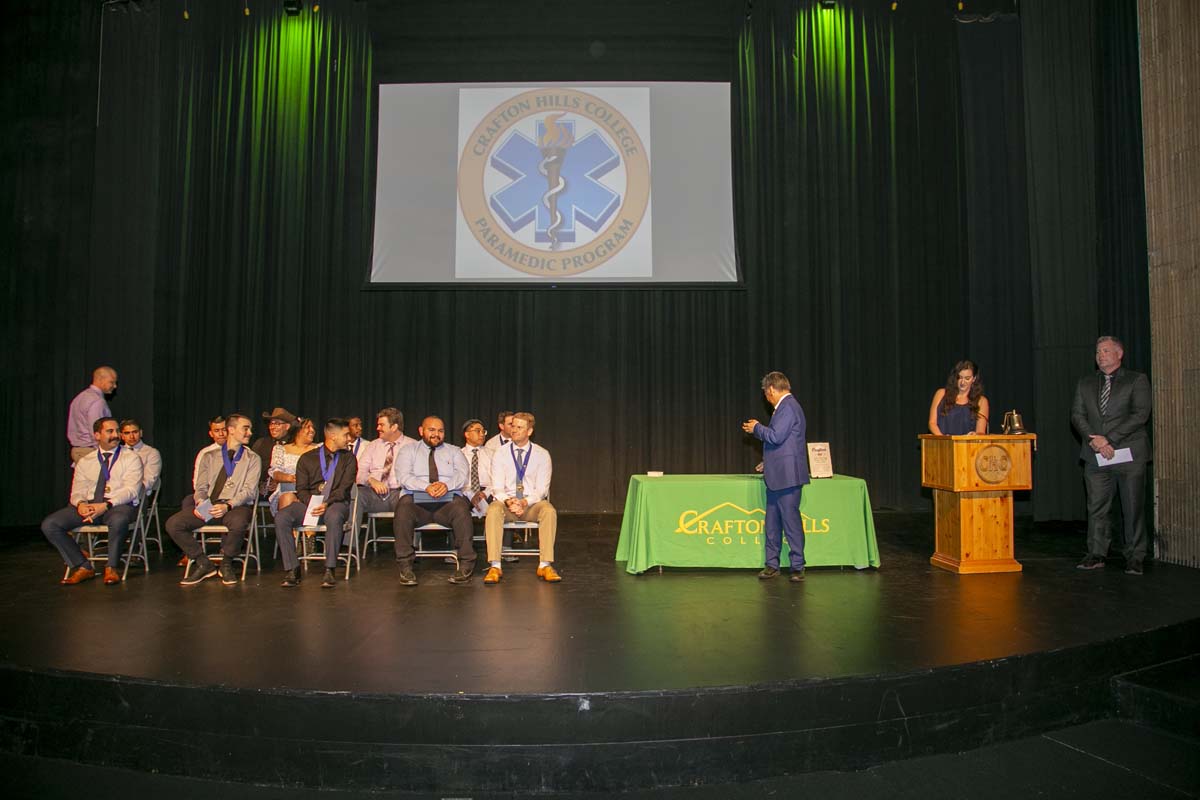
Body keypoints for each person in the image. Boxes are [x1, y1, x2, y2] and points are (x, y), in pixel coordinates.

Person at [1071, 336, 1152, 575]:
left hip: (1128, 454)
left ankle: (1135, 556)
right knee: (1096, 507)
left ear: (1119, 354)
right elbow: (1077, 415)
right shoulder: (1085, 382)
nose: (1101, 355)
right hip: (1095, 455)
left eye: (1106, 351)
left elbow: (1140, 414)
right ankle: (1096, 553)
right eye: (1098, 351)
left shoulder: (1136, 380)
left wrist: (1110, 439)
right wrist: (1093, 440)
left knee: (1132, 507)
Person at [41, 417, 143, 585]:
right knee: (50, 524)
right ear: (97, 435)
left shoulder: (130, 458)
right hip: (89, 506)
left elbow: (131, 490)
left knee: (119, 520)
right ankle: (83, 566)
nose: (115, 435)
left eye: (117, 431)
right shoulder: (85, 461)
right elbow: (77, 491)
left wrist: (105, 505)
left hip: (116, 505)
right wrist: (81, 504)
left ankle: (111, 567)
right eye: (110, 431)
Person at [165, 414, 262, 586]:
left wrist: (228, 505)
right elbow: (200, 487)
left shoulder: (252, 459)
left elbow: (249, 491)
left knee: (239, 522)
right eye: (245, 428)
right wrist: (201, 501)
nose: (250, 432)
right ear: (231, 430)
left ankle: (226, 562)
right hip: (210, 504)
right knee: (174, 524)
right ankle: (203, 562)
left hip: (235, 505)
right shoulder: (209, 456)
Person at [272, 418, 357, 588]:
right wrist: (311, 503)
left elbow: (344, 489)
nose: (349, 439)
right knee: (282, 517)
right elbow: (301, 488)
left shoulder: (349, 459)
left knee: (334, 516)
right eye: (346, 435)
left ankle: (329, 569)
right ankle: (292, 569)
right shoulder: (307, 459)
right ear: (333, 436)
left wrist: (326, 503)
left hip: (335, 503)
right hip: (309, 503)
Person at [742, 371, 809, 582]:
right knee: (771, 524)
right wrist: (768, 462)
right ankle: (772, 564)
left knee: (790, 522)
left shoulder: (788, 407)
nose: (766, 398)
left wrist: (756, 428)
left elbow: (775, 436)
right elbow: (785, 443)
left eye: (765, 393)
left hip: (788, 478)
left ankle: (797, 566)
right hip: (778, 475)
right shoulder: (784, 408)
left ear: (771, 389)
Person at [394, 416, 476, 585]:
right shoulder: (407, 450)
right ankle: (405, 566)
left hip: (446, 500)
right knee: (403, 508)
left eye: (440, 431)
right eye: (431, 430)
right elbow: (403, 477)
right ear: (421, 431)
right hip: (417, 499)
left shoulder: (454, 451)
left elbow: (462, 475)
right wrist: (426, 486)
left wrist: (446, 485)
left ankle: (466, 563)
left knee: (461, 508)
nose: (436, 434)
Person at [483, 412, 560, 584]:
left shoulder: (542, 454)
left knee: (548, 510)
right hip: (508, 503)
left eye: (519, 427)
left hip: (531, 503)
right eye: (512, 426)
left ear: (529, 431)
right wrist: (509, 501)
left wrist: (524, 502)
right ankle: (495, 565)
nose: (514, 430)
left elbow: (542, 489)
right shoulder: (500, 453)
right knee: (493, 509)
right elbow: (497, 487)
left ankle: (545, 564)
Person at [355, 407, 413, 518]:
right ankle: (352, 536)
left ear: (394, 427)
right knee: (357, 495)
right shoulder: (372, 446)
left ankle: (405, 536)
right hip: (373, 494)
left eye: (381, 425)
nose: (377, 428)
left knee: (409, 499)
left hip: (399, 494)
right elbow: (360, 472)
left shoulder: (413, 446)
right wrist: (371, 480)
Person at [66, 366, 118, 462]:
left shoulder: (79, 397)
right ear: (100, 380)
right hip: (91, 452)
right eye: (112, 382)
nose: (115, 386)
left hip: (79, 450)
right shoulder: (97, 401)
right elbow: (97, 431)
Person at [268, 417, 318, 514]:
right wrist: (290, 478)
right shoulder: (280, 449)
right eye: (308, 427)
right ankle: (289, 528)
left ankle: (308, 528)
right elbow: (275, 473)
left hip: (312, 490)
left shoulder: (319, 449)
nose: (312, 430)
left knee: (309, 500)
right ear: (297, 430)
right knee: (287, 497)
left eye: (313, 428)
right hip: (288, 489)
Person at [928, 360, 989, 435]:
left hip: (967, 446)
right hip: (941, 444)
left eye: (967, 378)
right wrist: (945, 440)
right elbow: (932, 423)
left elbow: (980, 432)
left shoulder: (981, 401)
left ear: (974, 379)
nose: (962, 382)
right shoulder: (941, 394)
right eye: (960, 377)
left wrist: (974, 435)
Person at [252, 407, 298, 496]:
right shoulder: (261, 444)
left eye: (277, 424)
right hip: (261, 490)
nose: (272, 427)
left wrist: (278, 482)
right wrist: (259, 484)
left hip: (287, 490)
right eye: (271, 423)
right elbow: (251, 468)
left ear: (287, 426)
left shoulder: (294, 445)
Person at [120, 419, 162, 495]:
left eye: (135, 432)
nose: (131, 436)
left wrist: (129, 491)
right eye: (127, 433)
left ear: (141, 433)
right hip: (117, 492)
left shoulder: (152, 453)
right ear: (122, 436)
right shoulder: (118, 452)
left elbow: (149, 480)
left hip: (140, 494)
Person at [193, 415, 227, 488]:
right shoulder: (205, 453)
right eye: (216, 431)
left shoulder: (243, 451)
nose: (221, 434)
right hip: (211, 496)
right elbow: (197, 484)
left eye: (224, 429)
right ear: (211, 434)